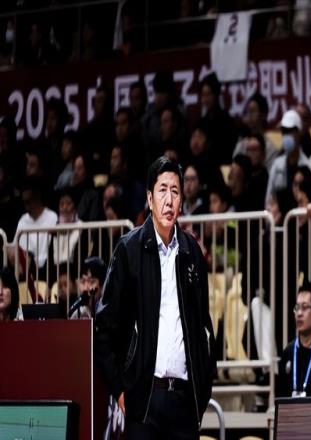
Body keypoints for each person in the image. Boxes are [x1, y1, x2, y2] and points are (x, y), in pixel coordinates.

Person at [95, 157, 216, 438]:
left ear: (182, 201)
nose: (169, 200)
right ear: (149, 198)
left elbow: (204, 329)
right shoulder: (129, 249)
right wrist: (121, 391)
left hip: (185, 401)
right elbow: (104, 328)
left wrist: (202, 392)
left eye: (175, 191)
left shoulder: (192, 253)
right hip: (144, 401)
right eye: (162, 190)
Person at [276, 283, 311, 397]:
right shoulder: (288, 353)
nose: (299, 313)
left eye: (304, 307)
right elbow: (279, 397)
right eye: (297, 308)